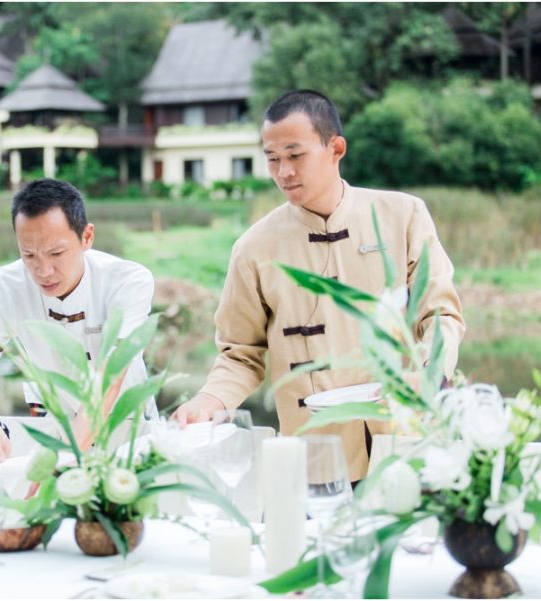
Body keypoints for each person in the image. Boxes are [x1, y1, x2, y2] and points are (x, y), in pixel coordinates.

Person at [172, 90, 466, 482]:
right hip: (313, 456)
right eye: (272, 159)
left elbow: (441, 313)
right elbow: (240, 354)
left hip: (405, 444)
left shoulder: (404, 215)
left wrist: (428, 371)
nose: (283, 172)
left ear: (335, 148)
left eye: (296, 156)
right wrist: (210, 400)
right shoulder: (254, 248)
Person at [0, 178, 155, 461]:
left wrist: (65, 460)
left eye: (56, 253)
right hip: (55, 428)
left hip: (130, 435)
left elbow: (109, 382)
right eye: (29, 255)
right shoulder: (3, 287)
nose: (43, 270)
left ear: (87, 237)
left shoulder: (128, 281)